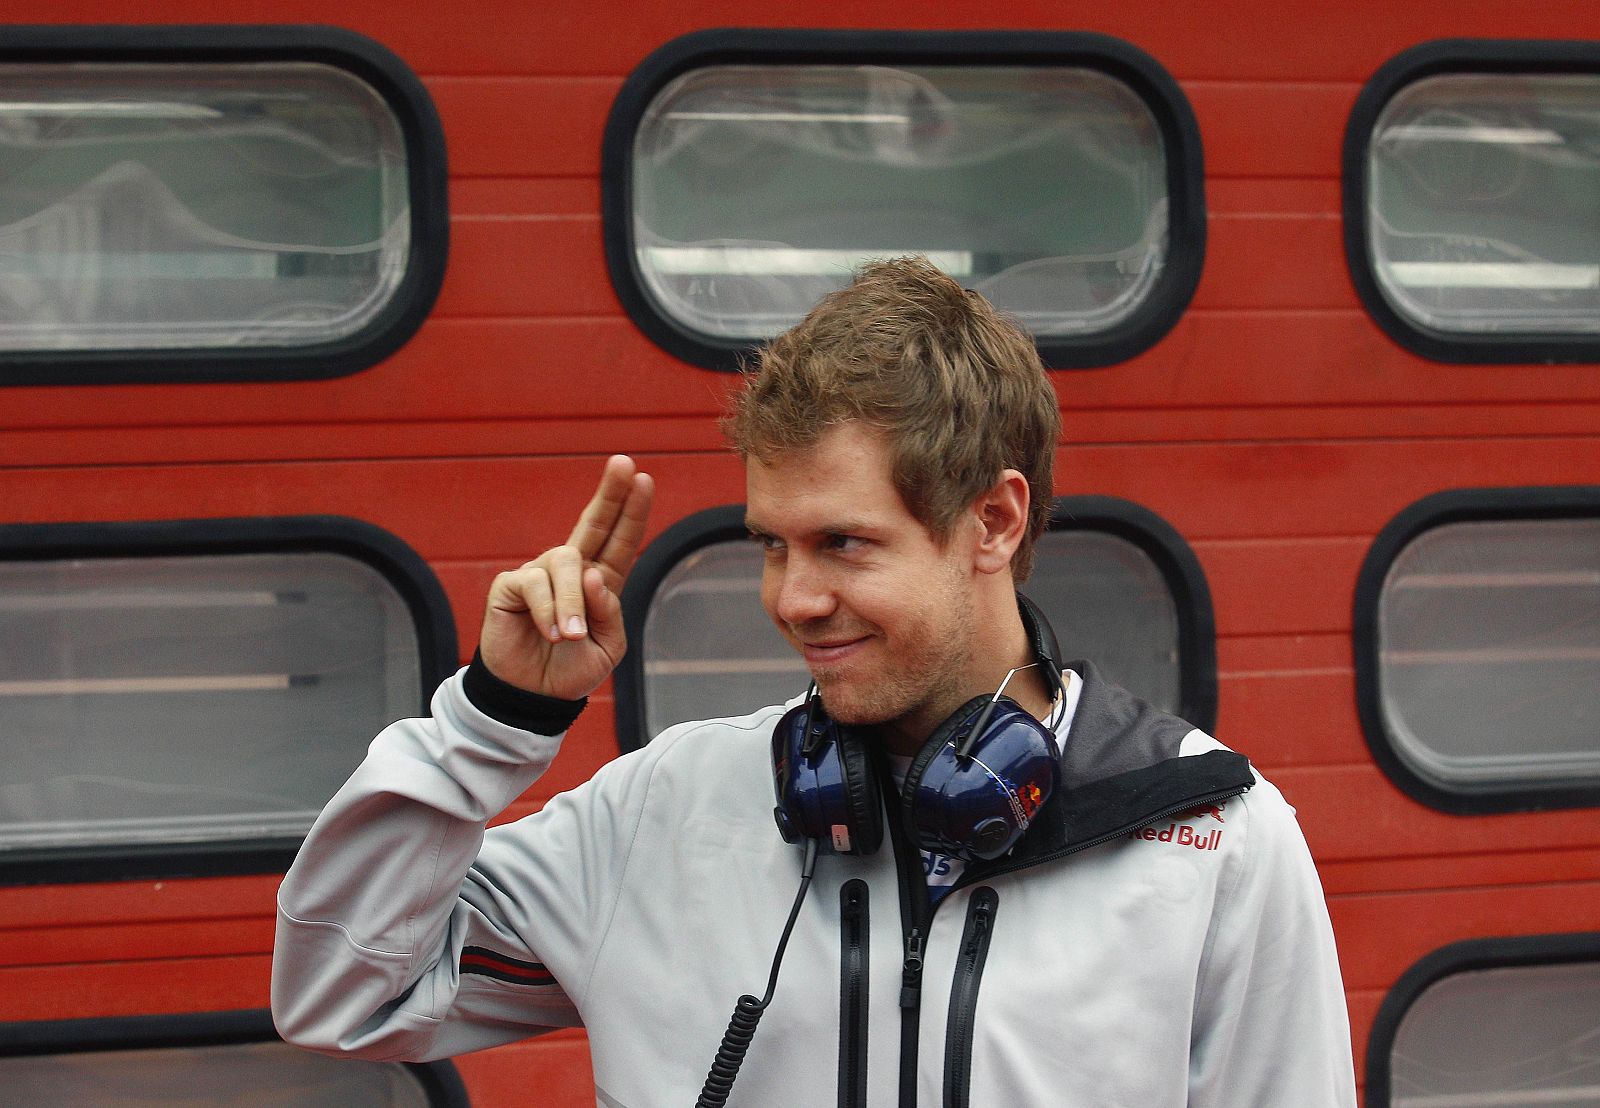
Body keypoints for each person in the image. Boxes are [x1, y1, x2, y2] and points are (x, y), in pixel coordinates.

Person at [273, 257, 1357, 1106]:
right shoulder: (665, 812)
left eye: (843, 543)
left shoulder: (1216, 839)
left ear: (993, 521)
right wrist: (493, 720)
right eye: (771, 544)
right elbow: (345, 992)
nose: (792, 598)